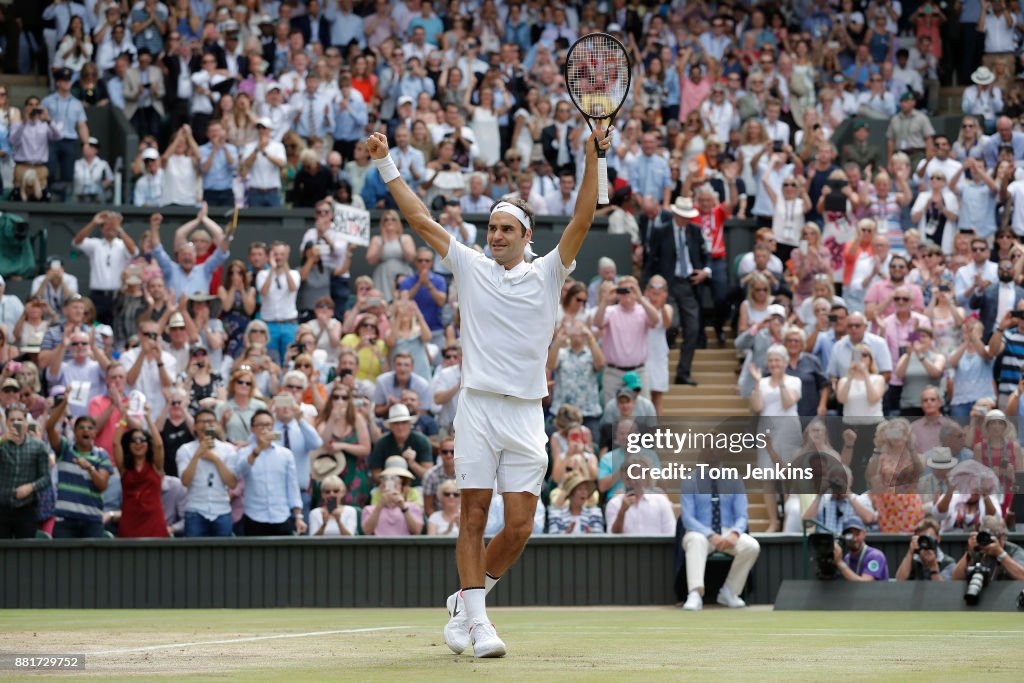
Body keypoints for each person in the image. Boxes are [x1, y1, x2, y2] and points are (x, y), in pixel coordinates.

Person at [365, 119, 607, 657]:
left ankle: (465, 603)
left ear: (526, 237)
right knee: (473, 513)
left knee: (521, 525)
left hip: (526, 415)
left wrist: (595, 155)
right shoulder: (469, 266)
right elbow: (421, 218)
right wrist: (386, 162)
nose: (495, 235)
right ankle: (478, 624)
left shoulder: (549, 273)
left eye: (506, 229)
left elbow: (585, 216)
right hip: (475, 409)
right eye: (491, 227)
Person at [642, 196, 710, 386]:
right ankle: (666, 353)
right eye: (683, 216)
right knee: (672, 324)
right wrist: (645, 286)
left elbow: (706, 256)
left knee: (693, 328)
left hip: (689, 284)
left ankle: (683, 372)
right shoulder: (660, 231)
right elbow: (650, 260)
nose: (686, 219)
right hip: (667, 285)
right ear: (676, 214)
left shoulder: (695, 231)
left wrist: (705, 272)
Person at [679, 455, 761, 610]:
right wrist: (711, 535)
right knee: (696, 540)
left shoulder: (735, 479)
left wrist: (734, 533)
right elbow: (687, 518)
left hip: (727, 532)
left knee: (752, 546)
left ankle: (729, 592)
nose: (712, 450)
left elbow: (742, 516)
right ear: (702, 450)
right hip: (699, 532)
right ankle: (695, 593)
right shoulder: (690, 480)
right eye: (708, 446)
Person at [46, 397, 113, 538]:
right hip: (65, 521)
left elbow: (102, 485)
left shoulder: (102, 455)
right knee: (61, 560)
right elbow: (49, 427)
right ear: (75, 432)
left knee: (94, 561)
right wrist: (64, 403)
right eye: (81, 427)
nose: (86, 431)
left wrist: (90, 468)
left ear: (95, 433)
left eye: (90, 428)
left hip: (92, 521)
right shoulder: (64, 449)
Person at [234, 410, 306, 536]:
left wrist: (298, 516)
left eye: (268, 425)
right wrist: (258, 450)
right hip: (254, 516)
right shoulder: (244, 452)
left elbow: (292, 486)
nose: (265, 429)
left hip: (281, 515)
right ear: (253, 429)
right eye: (260, 425)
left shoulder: (285, 454)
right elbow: (239, 471)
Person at [177, 409, 238, 537]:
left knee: (224, 554)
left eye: (210, 422)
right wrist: (198, 453)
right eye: (202, 422)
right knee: (194, 555)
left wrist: (215, 459)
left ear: (217, 425)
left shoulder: (228, 449)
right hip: (195, 511)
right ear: (194, 426)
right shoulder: (185, 450)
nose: (206, 425)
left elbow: (232, 483)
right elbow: (185, 481)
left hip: (222, 510)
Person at [111, 418, 167, 538]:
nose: (138, 443)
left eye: (142, 440)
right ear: (128, 445)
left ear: (148, 443)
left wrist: (148, 418)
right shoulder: (124, 468)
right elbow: (116, 444)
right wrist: (123, 419)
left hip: (154, 521)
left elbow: (159, 445)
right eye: (133, 440)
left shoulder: (155, 466)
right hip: (130, 521)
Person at [0, 408, 51, 538]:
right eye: (12, 420)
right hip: (2, 506)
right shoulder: (2, 443)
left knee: (25, 551)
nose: (16, 423)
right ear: (6, 422)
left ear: (26, 423)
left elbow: (46, 478)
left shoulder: (38, 446)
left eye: (20, 419)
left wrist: (31, 487)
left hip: (26, 508)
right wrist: (3, 439)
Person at [361, 458, 424, 536]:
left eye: (395, 486)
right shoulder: (369, 509)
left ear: (401, 486)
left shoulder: (413, 507)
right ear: (380, 487)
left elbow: (417, 531)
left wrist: (403, 507)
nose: (390, 490)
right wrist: (380, 506)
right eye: (385, 486)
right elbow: (366, 531)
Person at [950, 515, 1024, 582]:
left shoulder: (1014, 551)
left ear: (1003, 537)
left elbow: (1022, 576)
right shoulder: (978, 550)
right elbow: (955, 579)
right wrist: (969, 553)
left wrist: (1001, 554)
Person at [833, 515, 889, 581]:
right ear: (844, 537)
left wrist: (840, 563)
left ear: (864, 533)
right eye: (850, 535)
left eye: (857, 534)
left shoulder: (875, 556)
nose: (854, 539)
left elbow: (864, 585)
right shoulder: (847, 558)